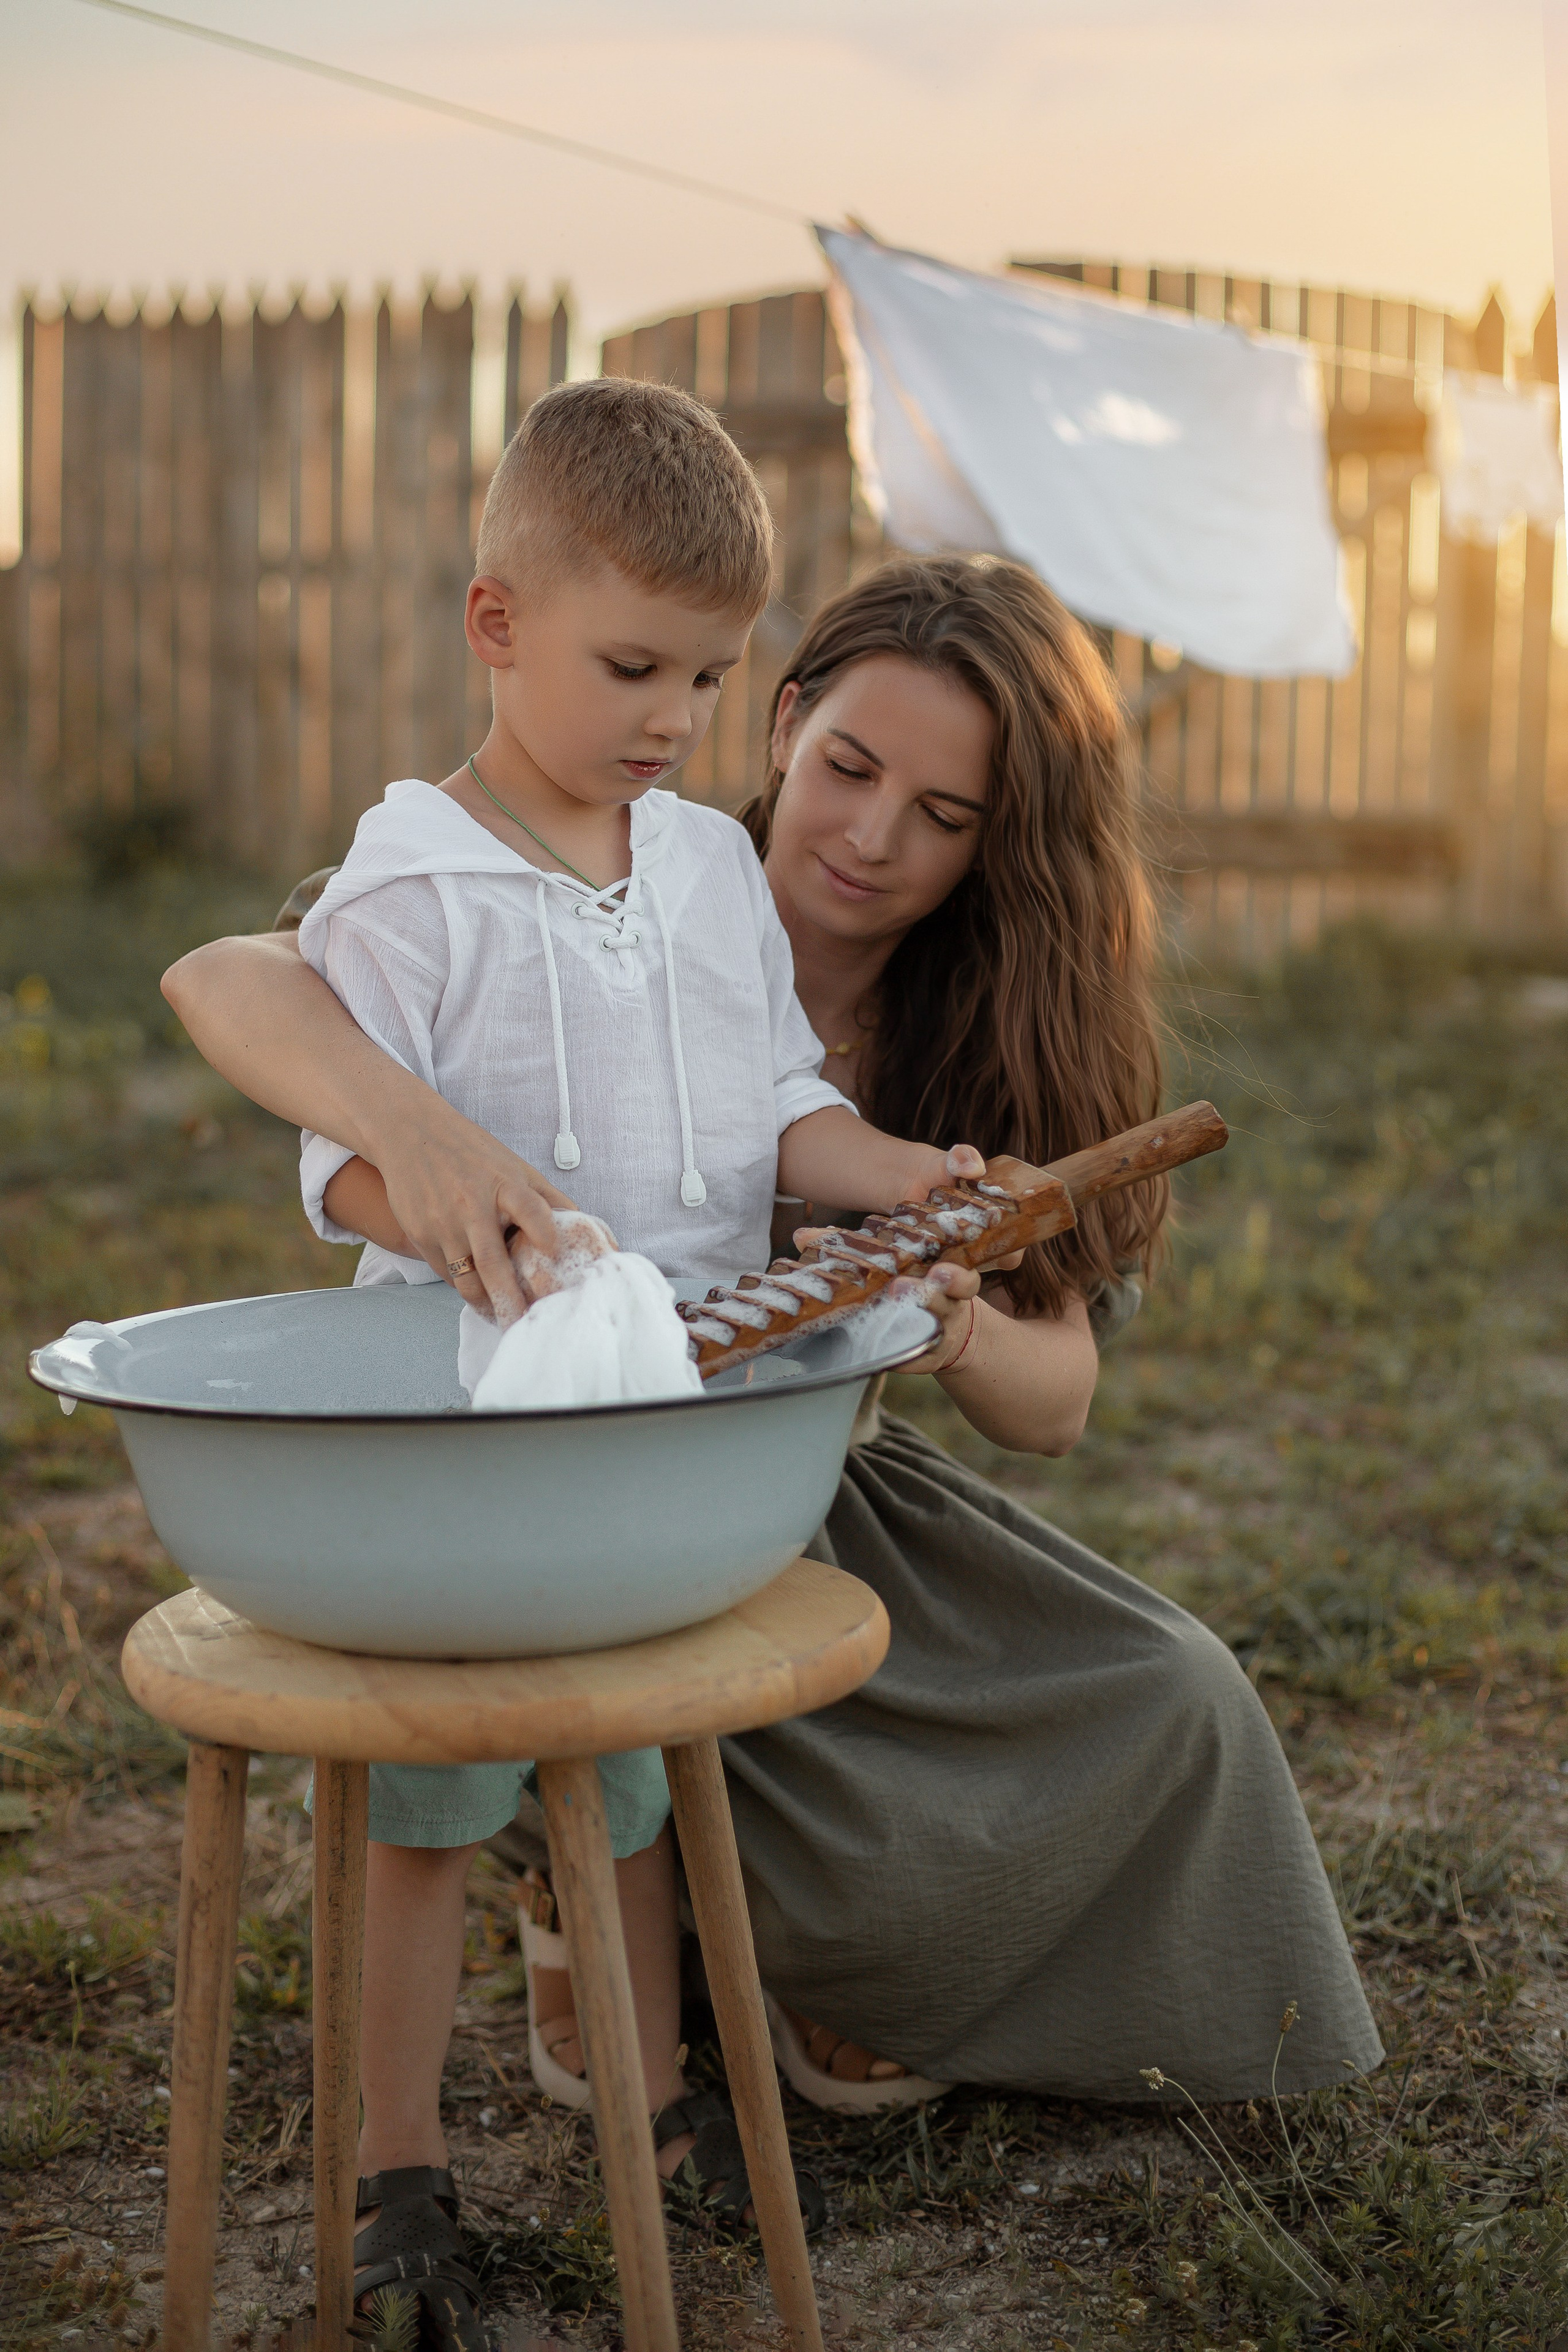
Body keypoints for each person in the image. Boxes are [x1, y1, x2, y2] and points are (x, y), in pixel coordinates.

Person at [165, 552, 1381, 2136]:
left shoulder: (994, 1021)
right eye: (851, 771)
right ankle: (603, 1894)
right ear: (783, 722)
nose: (874, 840)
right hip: (545, 1461)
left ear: (1000, 845)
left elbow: (1057, 1398)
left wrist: (951, 1324)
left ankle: (799, 1940)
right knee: (653, 1722)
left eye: (946, 819)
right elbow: (246, 977)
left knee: (1180, 1698)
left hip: (800, 1482)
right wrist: (420, 1136)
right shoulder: (625, 864)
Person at [242, 383, 992, 2347]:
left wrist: (896, 1171)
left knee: (649, 1772)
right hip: (476, 1430)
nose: (672, 717)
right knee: (434, 1798)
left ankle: (656, 2110)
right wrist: (449, 1200)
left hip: (667, 1424)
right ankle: (398, 2166)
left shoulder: (706, 876)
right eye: (632, 663)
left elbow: (776, 1109)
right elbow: (341, 1158)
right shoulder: (415, 882)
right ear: (498, 625)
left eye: (709, 676)